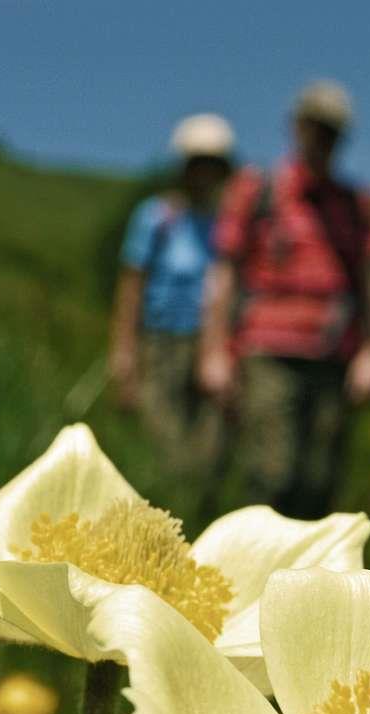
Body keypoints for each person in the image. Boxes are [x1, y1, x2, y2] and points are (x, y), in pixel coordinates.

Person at [199, 78, 370, 519]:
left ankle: (310, 581)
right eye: (315, 127)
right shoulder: (258, 190)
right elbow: (225, 271)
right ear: (296, 127)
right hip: (268, 351)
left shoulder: (356, 203)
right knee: (272, 473)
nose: (322, 140)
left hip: (333, 356)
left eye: (332, 132)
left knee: (320, 482)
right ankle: (260, 577)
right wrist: (214, 350)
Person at [108, 114, 236, 499]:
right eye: (198, 164)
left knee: (210, 446)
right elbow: (131, 287)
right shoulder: (156, 218)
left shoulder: (227, 224)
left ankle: (195, 507)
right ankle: (166, 504)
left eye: (213, 166)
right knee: (163, 442)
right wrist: (124, 353)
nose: (205, 175)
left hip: (211, 344)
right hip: (161, 343)